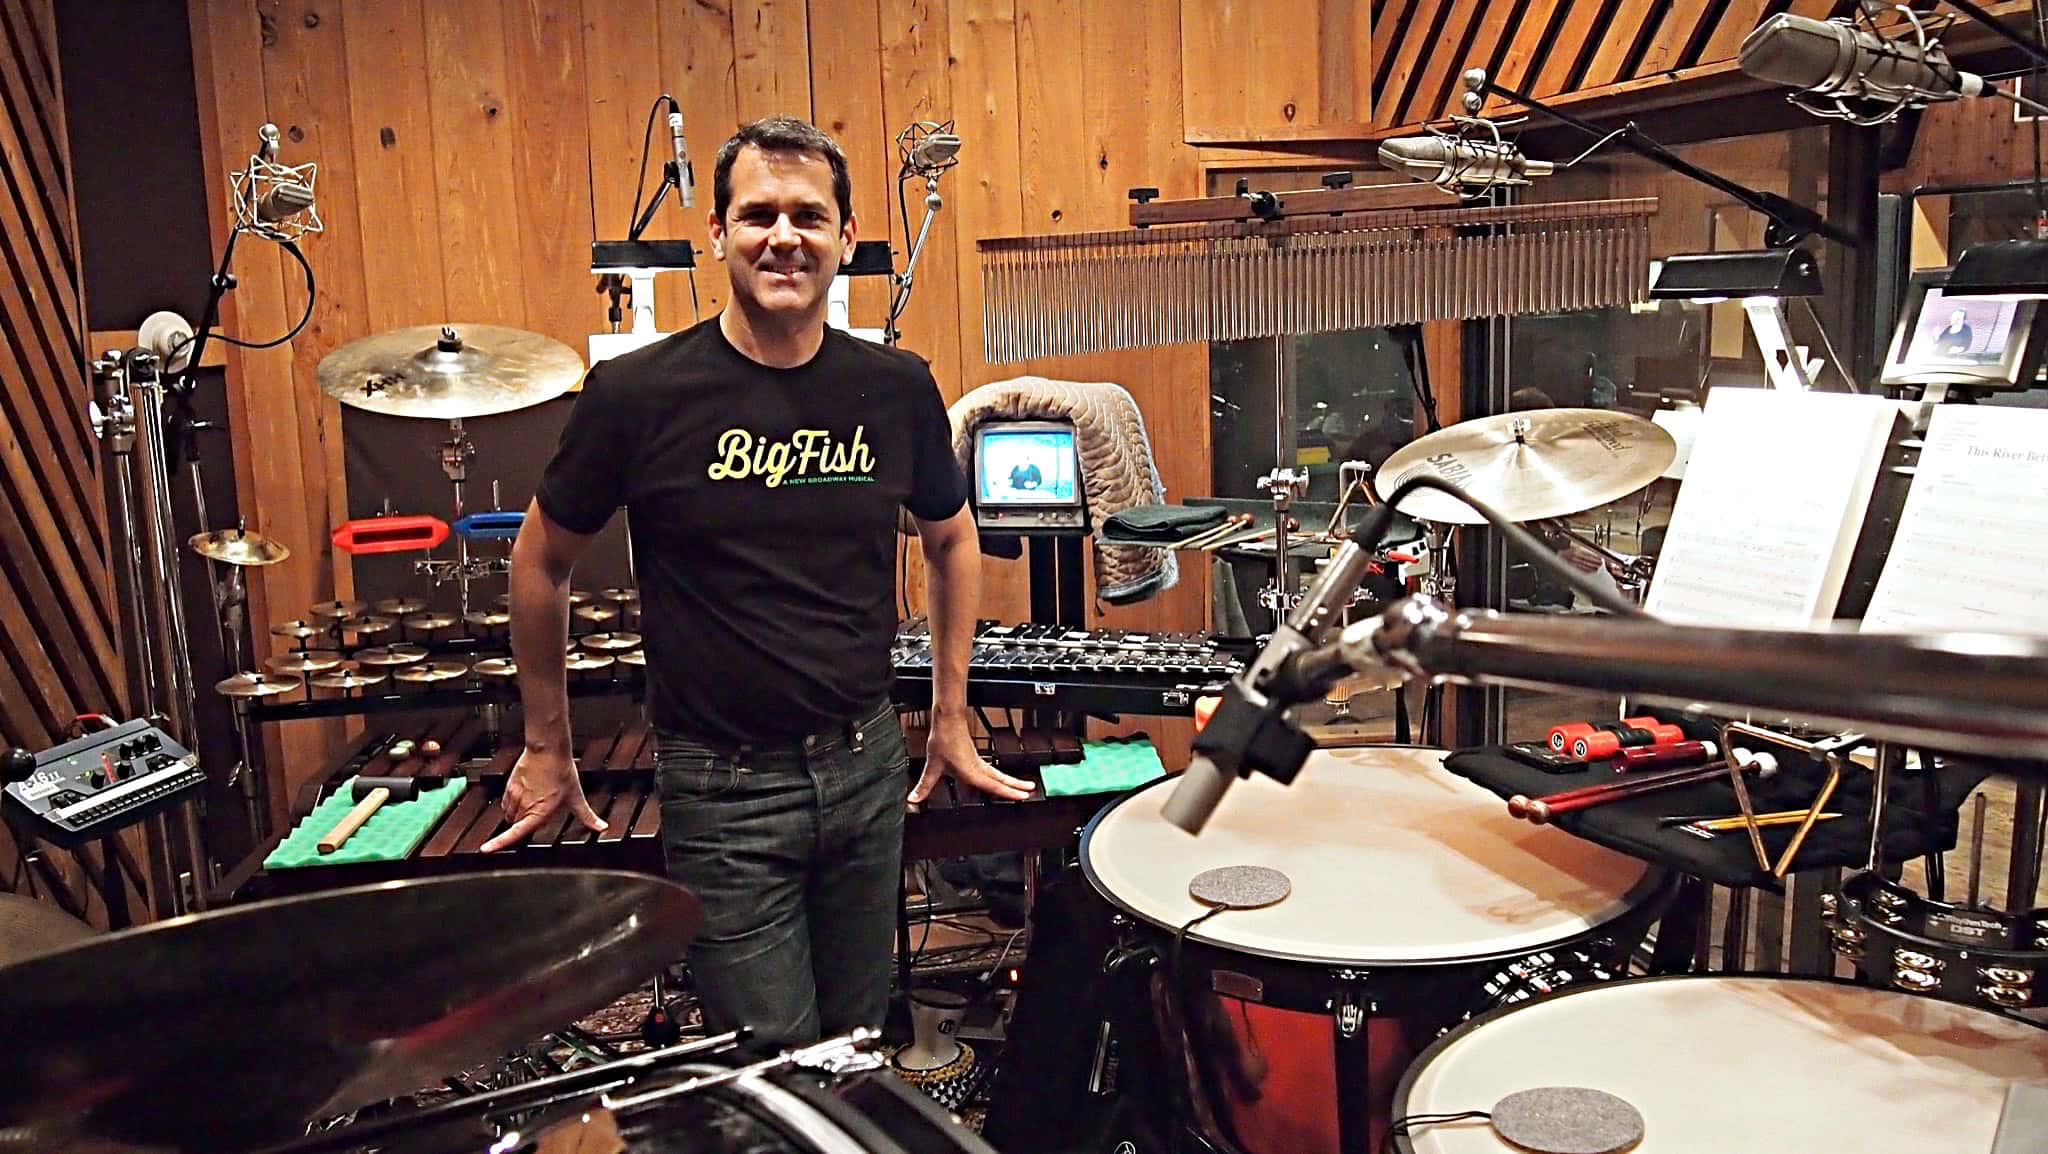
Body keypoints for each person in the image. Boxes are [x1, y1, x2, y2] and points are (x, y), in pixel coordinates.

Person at [487, 116, 1032, 1047]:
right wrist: (548, 743)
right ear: (717, 235)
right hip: (721, 788)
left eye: (809, 217)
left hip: (865, 770)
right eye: (759, 215)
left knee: (859, 1044)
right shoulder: (638, 395)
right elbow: (539, 561)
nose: (785, 236)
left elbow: (951, 538)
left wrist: (949, 715)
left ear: (845, 239)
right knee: (775, 1061)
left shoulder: (895, 386)